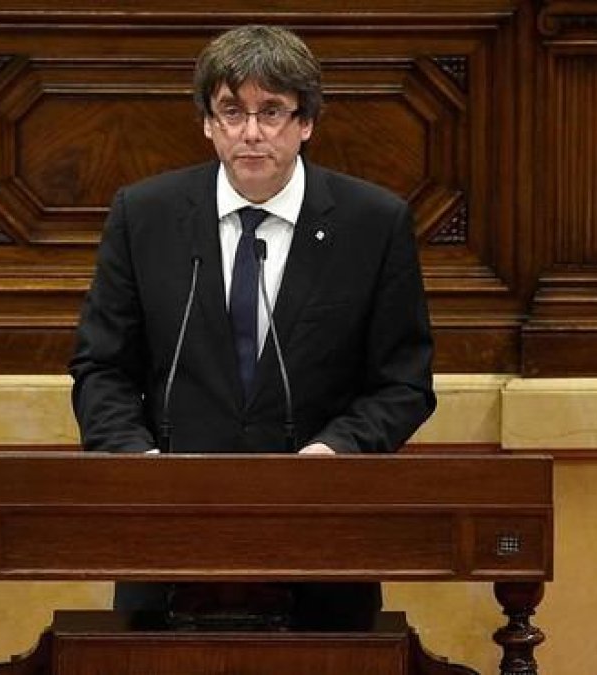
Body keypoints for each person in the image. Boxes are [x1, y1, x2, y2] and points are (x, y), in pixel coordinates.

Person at [68, 24, 435, 626]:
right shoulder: (146, 215)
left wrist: (337, 450)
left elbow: (403, 382)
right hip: (169, 538)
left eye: (272, 111)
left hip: (320, 543)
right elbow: (101, 366)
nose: (252, 133)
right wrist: (136, 459)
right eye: (232, 112)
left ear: (306, 122)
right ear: (208, 122)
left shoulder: (374, 224)